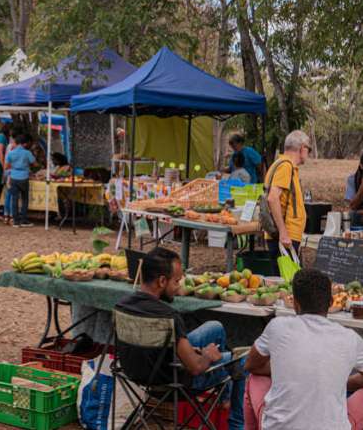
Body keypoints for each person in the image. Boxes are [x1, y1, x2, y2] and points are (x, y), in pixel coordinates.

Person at [116, 247, 246, 430]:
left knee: (215, 327)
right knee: (242, 360)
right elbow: (195, 368)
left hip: (136, 372)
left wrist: (194, 351)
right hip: (174, 383)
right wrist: (208, 355)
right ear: (162, 281)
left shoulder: (122, 306)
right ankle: (237, 426)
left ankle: (224, 396)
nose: (179, 287)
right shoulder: (168, 316)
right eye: (176, 281)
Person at [244, 268, 363, 430]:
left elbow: (251, 365)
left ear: (295, 303)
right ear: (330, 302)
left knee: (253, 379)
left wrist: (287, 369)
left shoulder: (278, 327)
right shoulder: (351, 338)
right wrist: (340, 382)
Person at [265, 129, 309, 256]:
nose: (308, 153)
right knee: (287, 276)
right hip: (285, 237)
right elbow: (272, 198)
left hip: (285, 235)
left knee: (288, 275)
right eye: (308, 149)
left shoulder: (281, 164)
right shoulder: (285, 166)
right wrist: (283, 232)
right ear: (302, 148)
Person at [6, 133, 35, 228]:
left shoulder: (11, 153)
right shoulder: (27, 153)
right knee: (24, 199)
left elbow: (6, 166)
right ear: (25, 144)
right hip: (24, 177)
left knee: (14, 199)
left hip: (14, 176)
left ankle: (15, 221)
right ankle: (23, 220)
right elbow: (33, 162)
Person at [346, 154, 363, 227]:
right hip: (359, 218)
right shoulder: (352, 179)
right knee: (353, 215)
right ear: (361, 165)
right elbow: (352, 206)